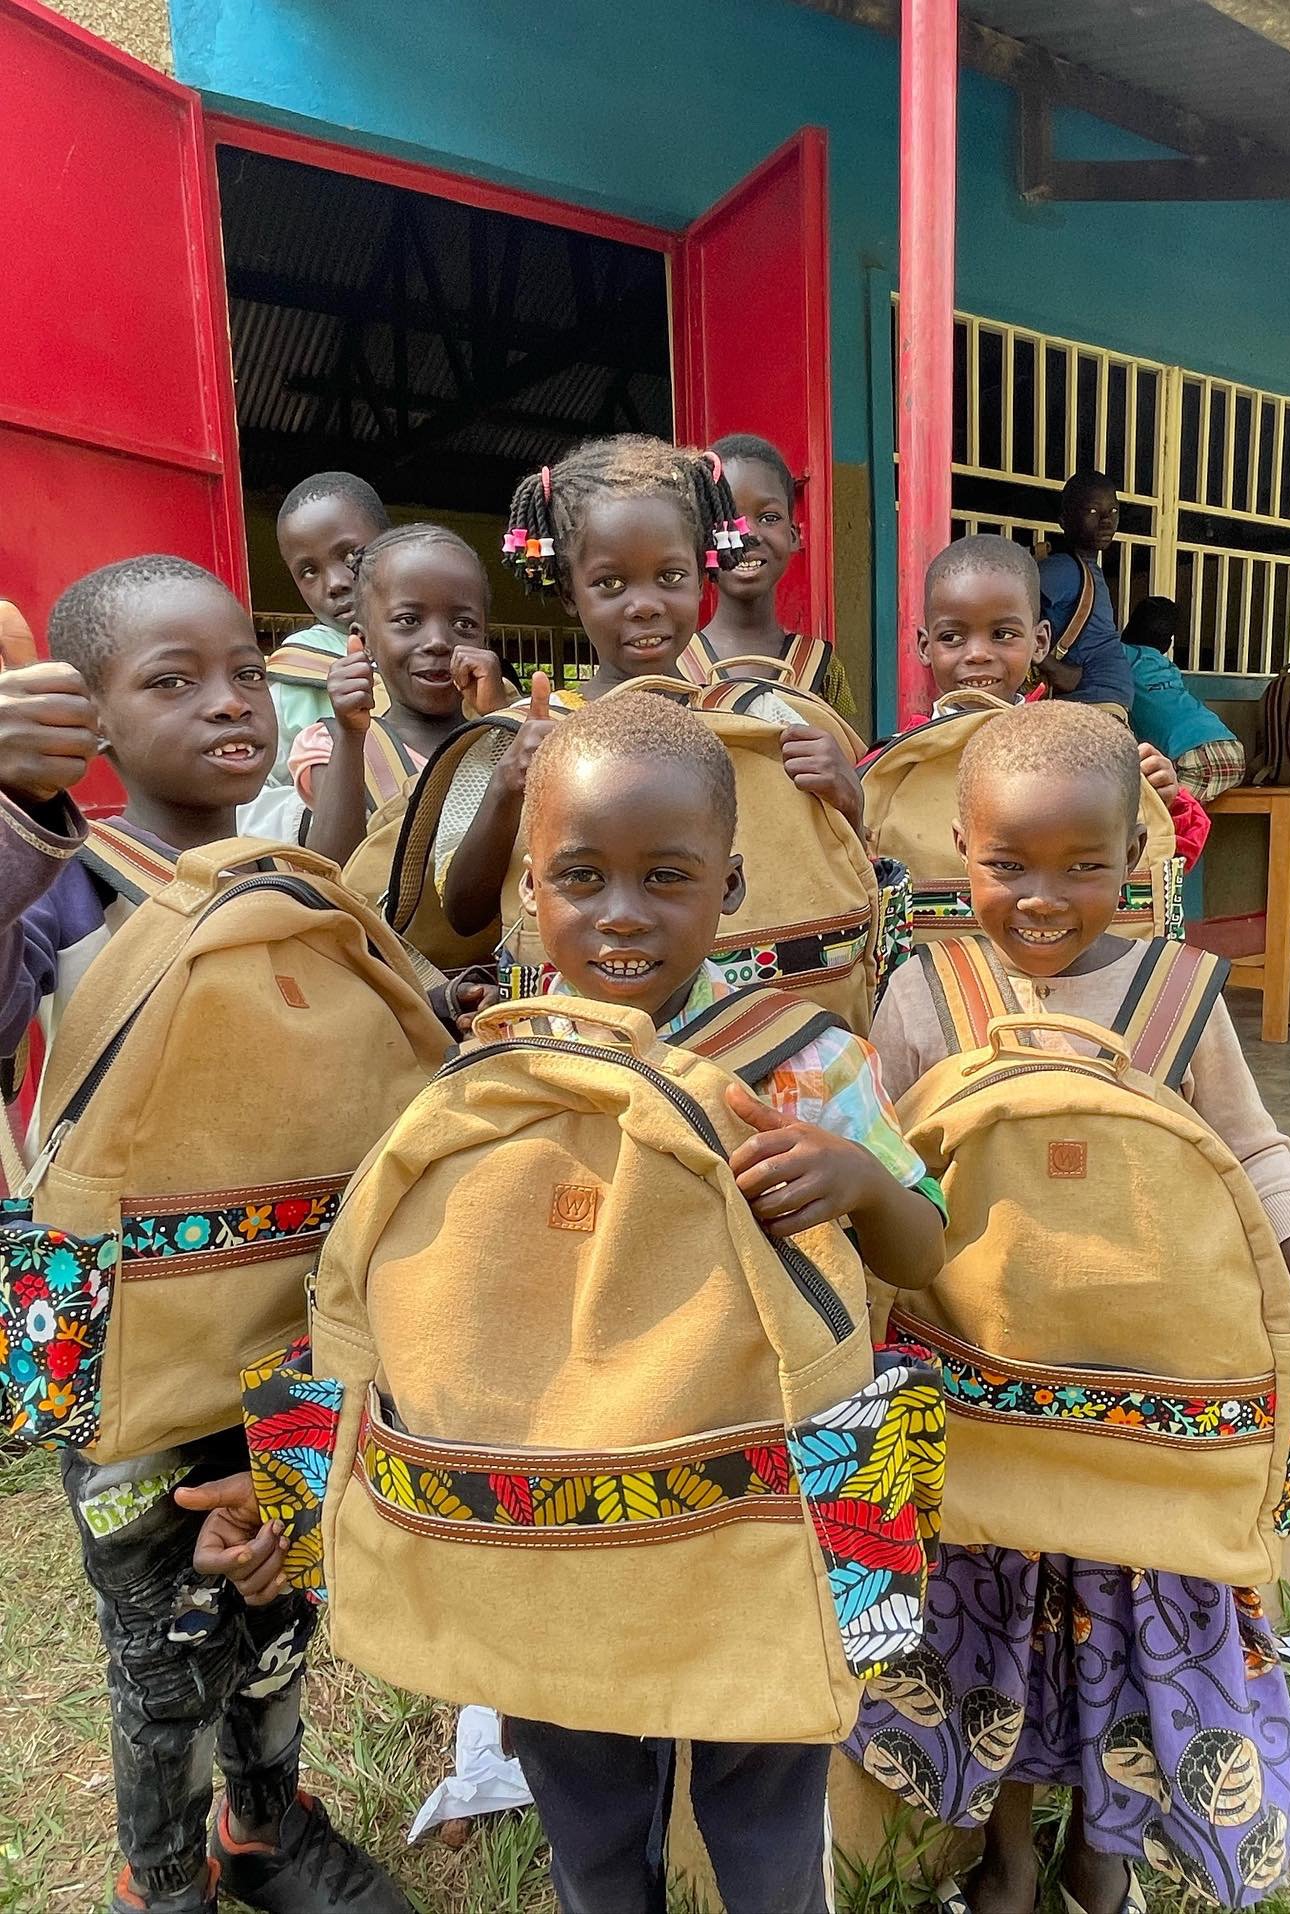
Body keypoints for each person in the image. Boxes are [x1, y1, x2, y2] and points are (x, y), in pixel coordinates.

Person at [189, 689, 947, 1913]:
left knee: (763, 1826)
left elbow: (925, 1250)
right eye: (582, 877)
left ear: (733, 883)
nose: (623, 914)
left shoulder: (797, 1058)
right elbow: (394, 1296)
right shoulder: (488, 1069)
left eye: (669, 876)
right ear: (528, 887)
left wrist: (859, 1180)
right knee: (590, 1832)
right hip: (542, 1525)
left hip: (752, 1522)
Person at [846, 701, 1290, 1914]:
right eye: (1007, 865)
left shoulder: (1182, 998)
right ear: (958, 847)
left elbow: (1254, 1154)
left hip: (1153, 1413)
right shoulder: (922, 998)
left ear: (1138, 860)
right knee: (998, 1638)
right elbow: (875, 1168)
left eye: (1085, 867)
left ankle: (1103, 1848)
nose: (1043, 898)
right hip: (980, 1397)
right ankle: (1003, 1852)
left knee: (1127, 1634)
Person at [0, 555, 407, 1914]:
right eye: (171, 680)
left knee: (283, 1604)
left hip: (291, 1335)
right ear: (90, 719)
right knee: (164, 1647)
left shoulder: (295, 881)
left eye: (243, 669)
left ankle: (264, 1827)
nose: (227, 700)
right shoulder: (64, 889)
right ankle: (162, 1875)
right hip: (129, 1364)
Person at [442, 434, 862, 939]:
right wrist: (507, 787)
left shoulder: (765, 719)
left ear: (703, 579)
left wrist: (848, 800)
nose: (644, 604)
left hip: (739, 1015)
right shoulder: (522, 737)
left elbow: (842, 881)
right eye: (610, 584)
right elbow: (462, 914)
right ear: (569, 592)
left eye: (670, 576)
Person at [904, 535, 1210, 870]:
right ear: (925, 645)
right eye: (952, 637)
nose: (977, 654)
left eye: (1003, 634)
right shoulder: (901, 760)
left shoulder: (1075, 750)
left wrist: (1163, 802)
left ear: (1040, 642)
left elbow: (1162, 861)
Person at [290, 523, 494, 866]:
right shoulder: (332, 744)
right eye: (408, 620)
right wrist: (351, 737)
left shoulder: (508, 731)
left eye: (463, 625)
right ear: (363, 641)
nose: (438, 641)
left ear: (485, 639)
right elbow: (333, 872)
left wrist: (501, 722)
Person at [679, 432, 857, 715]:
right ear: (700, 540)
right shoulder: (675, 665)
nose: (747, 534)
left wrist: (836, 760)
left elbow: (854, 754)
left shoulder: (821, 667)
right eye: (727, 518)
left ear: (793, 536)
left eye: (768, 518)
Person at [268, 471, 392, 786]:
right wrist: (312, 812)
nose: (335, 583)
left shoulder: (437, 647)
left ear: (392, 544)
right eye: (308, 571)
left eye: (351, 555)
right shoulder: (291, 679)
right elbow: (251, 796)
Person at [1121, 595, 1245, 802]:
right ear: (1167, 644)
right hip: (1231, 747)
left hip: (1194, 756)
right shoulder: (1166, 667)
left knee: (1153, 815)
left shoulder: (1120, 654)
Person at [1037, 471, 1135, 716]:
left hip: (1097, 702)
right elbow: (1006, 615)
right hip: (1091, 703)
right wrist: (1051, 666)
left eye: (1113, 511)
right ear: (1064, 520)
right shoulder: (1062, 568)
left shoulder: (1087, 569)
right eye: (1093, 511)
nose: (1106, 521)